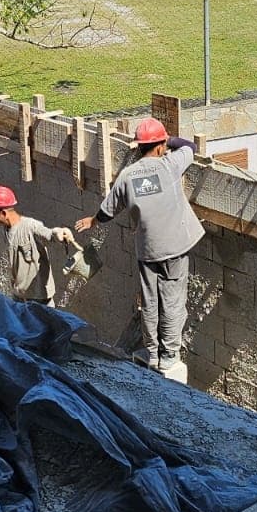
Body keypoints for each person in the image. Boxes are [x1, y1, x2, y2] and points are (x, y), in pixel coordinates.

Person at [75, 117, 203, 382]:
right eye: (163, 144)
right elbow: (190, 146)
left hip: (148, 250)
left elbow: (107, 211)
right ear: (159, 147)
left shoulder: (127, 176)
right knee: (173, 301)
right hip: (175, 248)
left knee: (151, 302)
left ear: (138, 147)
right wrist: (171, 140)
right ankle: (169, 357)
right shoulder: (169, 165)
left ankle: (153, 354)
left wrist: (93, 221)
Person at [0, 186, 75, 307]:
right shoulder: (6, 228)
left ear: (4, 213)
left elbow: (48, 234)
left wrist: (59, 232)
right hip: (19, 295)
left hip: (39, 299)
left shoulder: (30, 226)